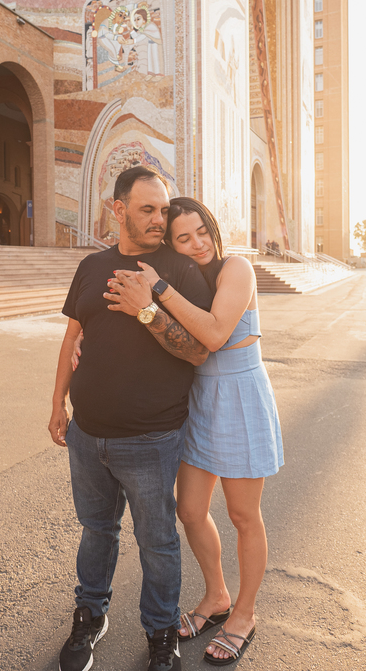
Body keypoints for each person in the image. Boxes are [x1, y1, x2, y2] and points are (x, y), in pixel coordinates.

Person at [105, 197, 283, 666]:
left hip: (240, 397)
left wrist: (159, 285)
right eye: (183, 237)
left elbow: (214, 333)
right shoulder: (188, 277)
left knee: (244, 516)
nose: (197, 243)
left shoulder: (236, 269)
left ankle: (244, 613)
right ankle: (217, 596)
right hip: (199, 400)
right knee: (189, 510)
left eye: (202, 231)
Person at [50, 165, 213, 671]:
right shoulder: (91, 266)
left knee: (157, 541)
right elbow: (73, 336)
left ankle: (160, 633)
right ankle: (90, 615)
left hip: (151, 438)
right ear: (117, 209)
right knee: (96, 531)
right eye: (147, 210)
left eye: (163, 210)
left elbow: (197, 352)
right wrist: (57, 402)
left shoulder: (178, 271)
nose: (159, 220)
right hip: (87, 433)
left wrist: (149, 308)